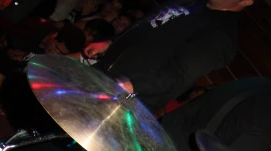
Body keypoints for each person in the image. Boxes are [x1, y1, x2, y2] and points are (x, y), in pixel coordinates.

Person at [95, 0, 253, 111]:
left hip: (124, 94)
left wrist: (133, 86)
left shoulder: (222, 34)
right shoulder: (193, 3)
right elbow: (147, 25)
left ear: (246, 1)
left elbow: (179, 73)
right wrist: (112, 43)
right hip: (105, 68)